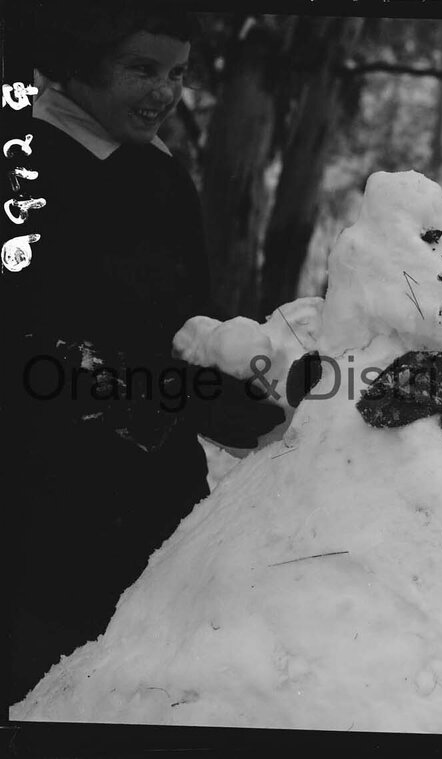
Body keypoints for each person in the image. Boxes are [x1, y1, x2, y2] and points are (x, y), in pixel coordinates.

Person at [4, 2, 283, 704]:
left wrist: (248, 396)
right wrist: (169, 392)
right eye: (141, 69)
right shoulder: (24, 166)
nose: (165, 92)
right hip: (43, 497)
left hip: (154, 492)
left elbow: (186, 324)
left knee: (143, 690)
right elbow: (37, 338)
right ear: (78, 61)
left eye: (179, 73)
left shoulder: (163, 177)